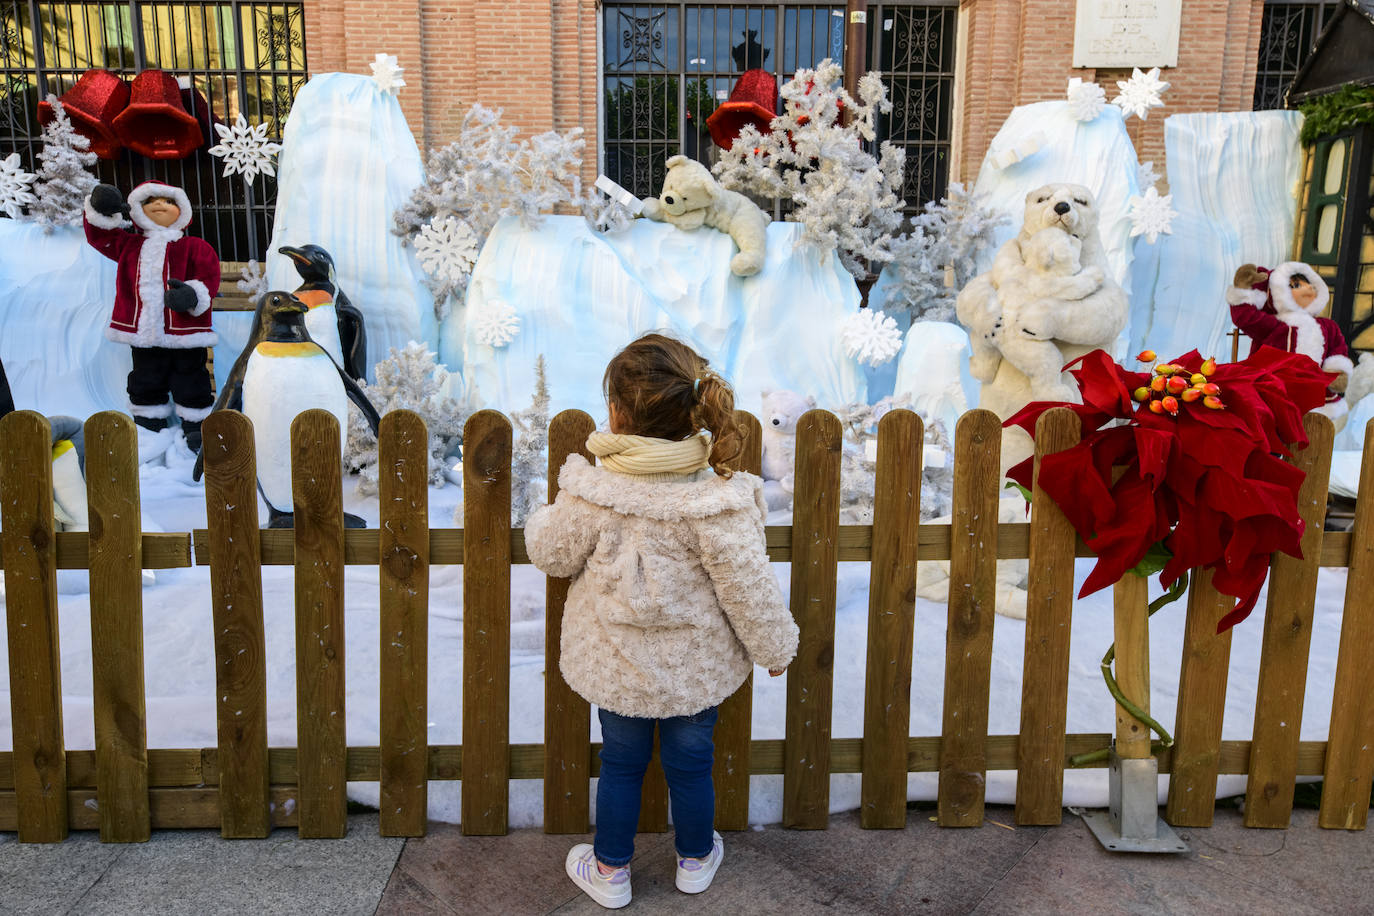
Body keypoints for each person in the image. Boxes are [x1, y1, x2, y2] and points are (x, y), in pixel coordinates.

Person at [525, 333, 798, 909]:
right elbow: (749, 587)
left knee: (621, 764)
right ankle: (696, 859)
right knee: (692, 766)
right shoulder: (716, 498)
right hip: (694, 672)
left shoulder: (595, 493)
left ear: (617, 413)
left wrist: (542, 512)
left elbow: (551, 553)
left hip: (617, 666)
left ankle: (610, 871)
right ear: (693, 408)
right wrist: (775, 647)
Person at [84, 180, 220, 452]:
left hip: (185, 332)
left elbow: (209, 276)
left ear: (182, 210)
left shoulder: (194, 246)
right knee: (145, 378)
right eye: (151, 201)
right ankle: (148, 427)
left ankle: (195, 427)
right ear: (136, 209)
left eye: (168, 201)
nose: (160, 205)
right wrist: (101, 208)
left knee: (191, 377)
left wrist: (192, 295)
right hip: (143, 334)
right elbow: (99, 236)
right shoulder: (128, 245)